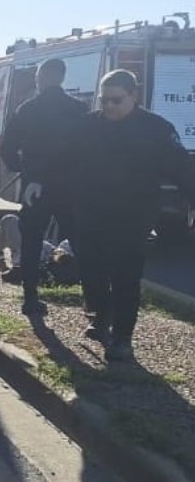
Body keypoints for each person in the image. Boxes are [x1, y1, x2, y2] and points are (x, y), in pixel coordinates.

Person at [68, 70, 195, 361]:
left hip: (132, 215)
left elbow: (183, 169)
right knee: (91, 270)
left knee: (126, 275)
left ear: (133, 96)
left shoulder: (156, 129)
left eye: (116, 100)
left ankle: (123, 338)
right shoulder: (86, 127)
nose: (109, 106)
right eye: (104, 100)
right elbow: (64, 164)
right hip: (90, 212)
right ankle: (100, 316)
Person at [0, 59, 88, 316]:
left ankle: (30, 299)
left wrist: (25, 171)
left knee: (31, 241)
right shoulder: (79, 109)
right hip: (69, 187)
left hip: (35, 188)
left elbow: (7, 149)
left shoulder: (27, 109)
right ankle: (95, 300)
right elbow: (89, 151)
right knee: (79, 240)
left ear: (40, 78)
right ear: (62, 78)